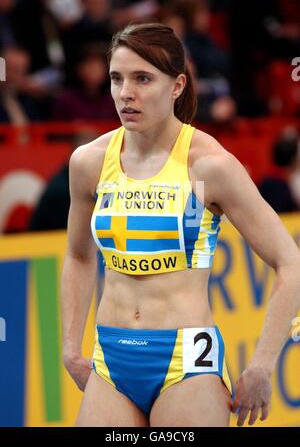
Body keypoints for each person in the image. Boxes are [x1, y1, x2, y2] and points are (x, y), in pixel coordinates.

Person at [61, 23, 300, 427]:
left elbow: (290, 262)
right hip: (111, 361)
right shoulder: (89, 161)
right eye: (117, 78)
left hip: (186, 363)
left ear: (177, 85)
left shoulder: (210, 166)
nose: (125, 93)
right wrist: (69, 348)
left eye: (143, 79)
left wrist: (262, 365)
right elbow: (78, 255)